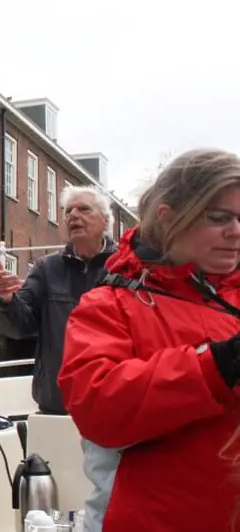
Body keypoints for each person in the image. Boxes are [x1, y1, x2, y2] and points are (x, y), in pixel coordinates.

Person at [58, 148, 240, 531]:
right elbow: (96, 404)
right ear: (169, 217)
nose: (236, 231)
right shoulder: (110, 305)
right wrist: (215, 366)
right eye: (219, 218)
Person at [0, 185, 118, 531]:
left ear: (105, 221)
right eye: (67, 211)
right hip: (58, 406)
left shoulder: (126, 268)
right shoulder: (47, 269)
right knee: (59, 507)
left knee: (110, 506)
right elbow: (20, 324)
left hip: (114, 409)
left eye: (83, 210)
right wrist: (5, 299)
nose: (73, 216)